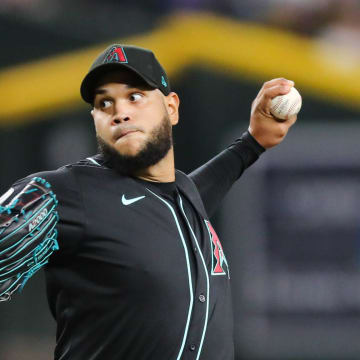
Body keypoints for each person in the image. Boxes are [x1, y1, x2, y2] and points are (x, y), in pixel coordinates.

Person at [0, 44, 297, 359]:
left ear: (171, 108)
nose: (120, 112)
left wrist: (251, 144)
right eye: (104, 103)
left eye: (135, 96)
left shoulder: (181, 200)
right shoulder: (65, 193)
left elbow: (178, 201)